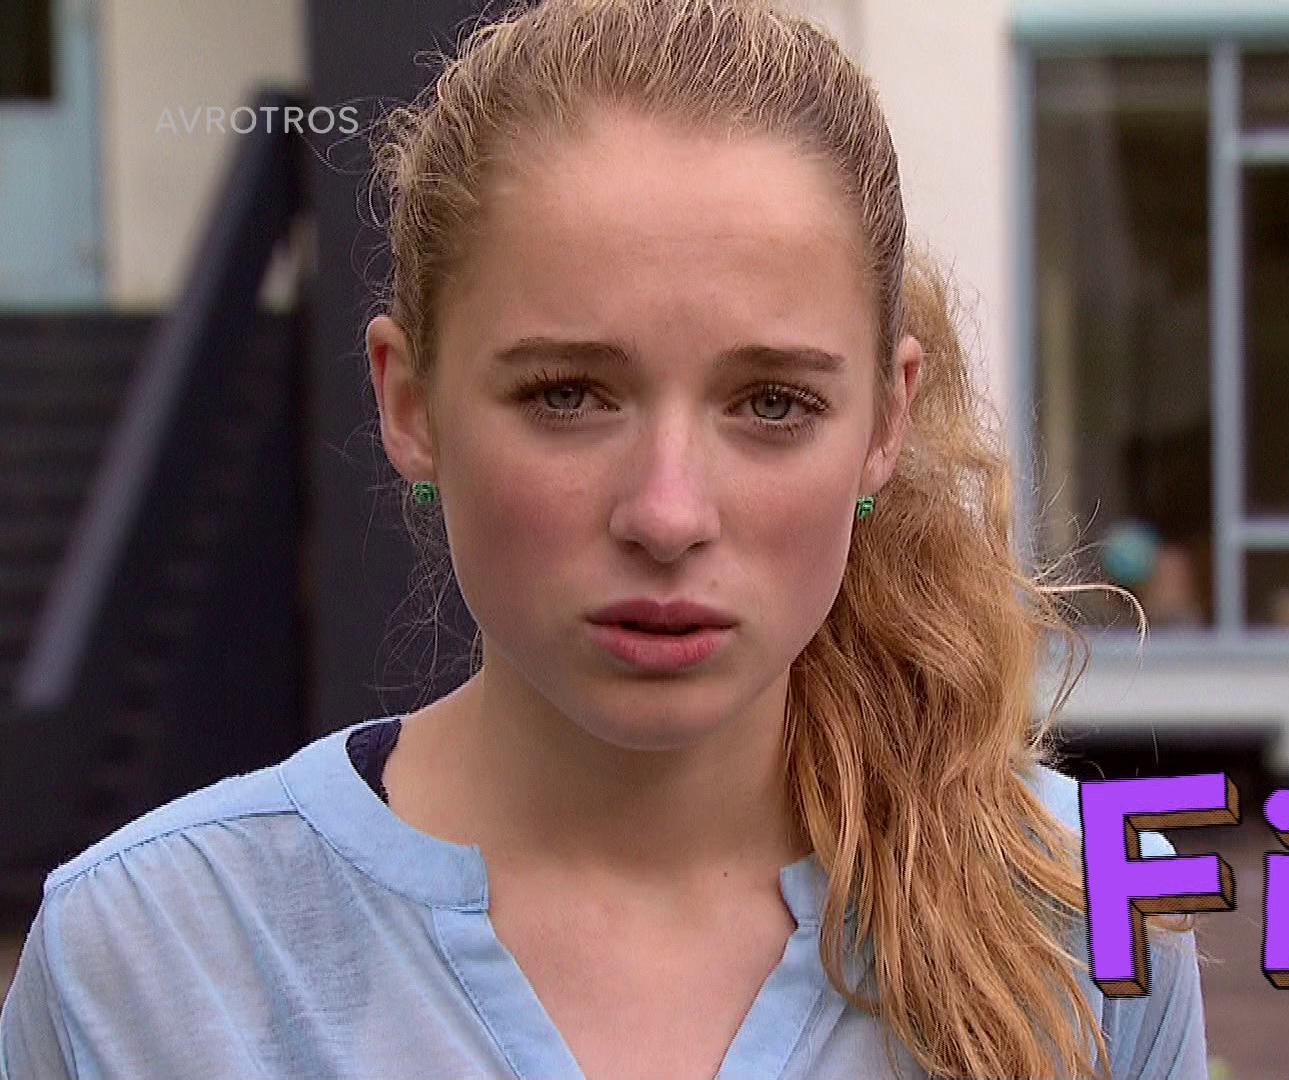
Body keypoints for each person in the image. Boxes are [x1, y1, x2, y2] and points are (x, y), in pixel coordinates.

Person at [0, 1, 1210, 1077]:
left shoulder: (1086, 902)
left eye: (772, 403)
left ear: (885, 422)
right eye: (568, 395)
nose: (669, 515)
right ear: (410, 405)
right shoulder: (150, 958)